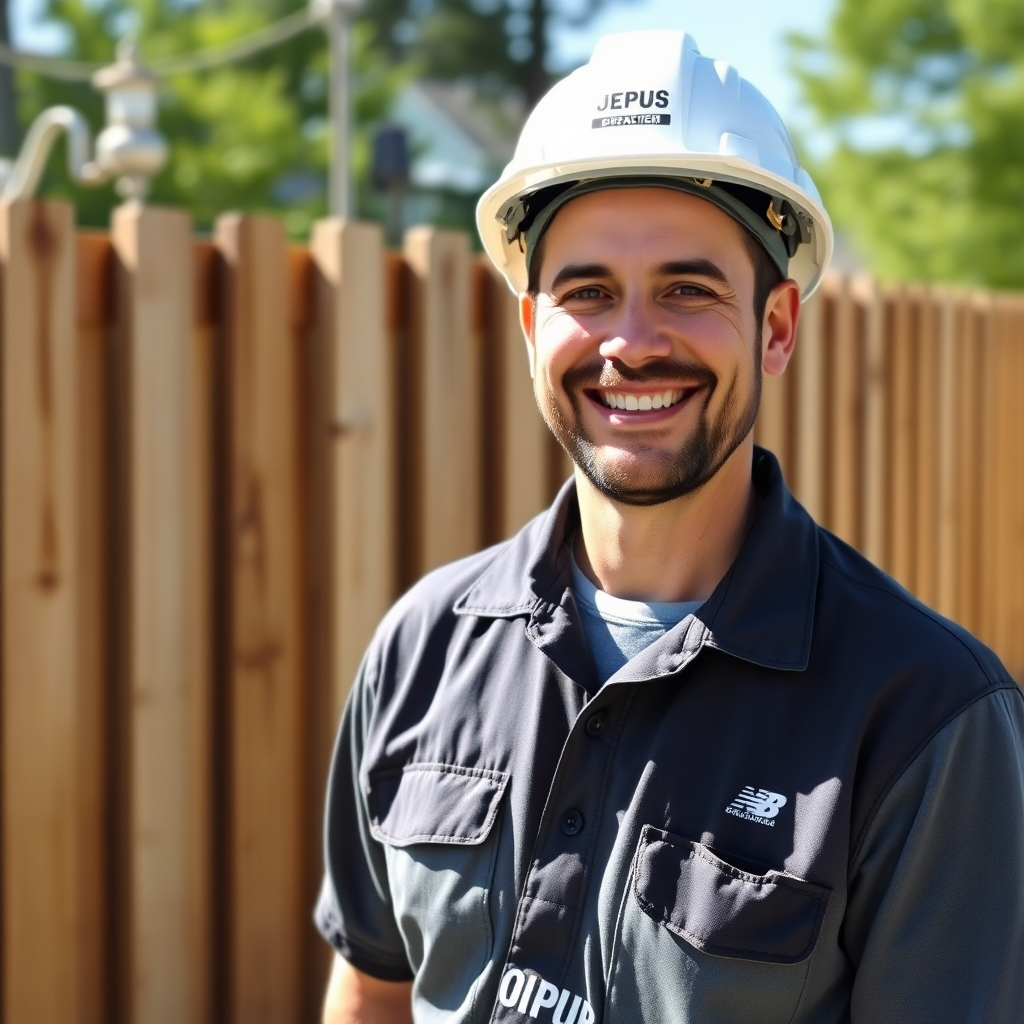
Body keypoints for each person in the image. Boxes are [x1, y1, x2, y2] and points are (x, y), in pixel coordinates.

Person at [315, 29, 1024, 1024]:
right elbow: (371, 991)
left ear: (776, 327)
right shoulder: (424, 647)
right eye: (587, 291)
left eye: (687, 290)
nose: (631, 343)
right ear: (530, 332)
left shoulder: (926, 716)